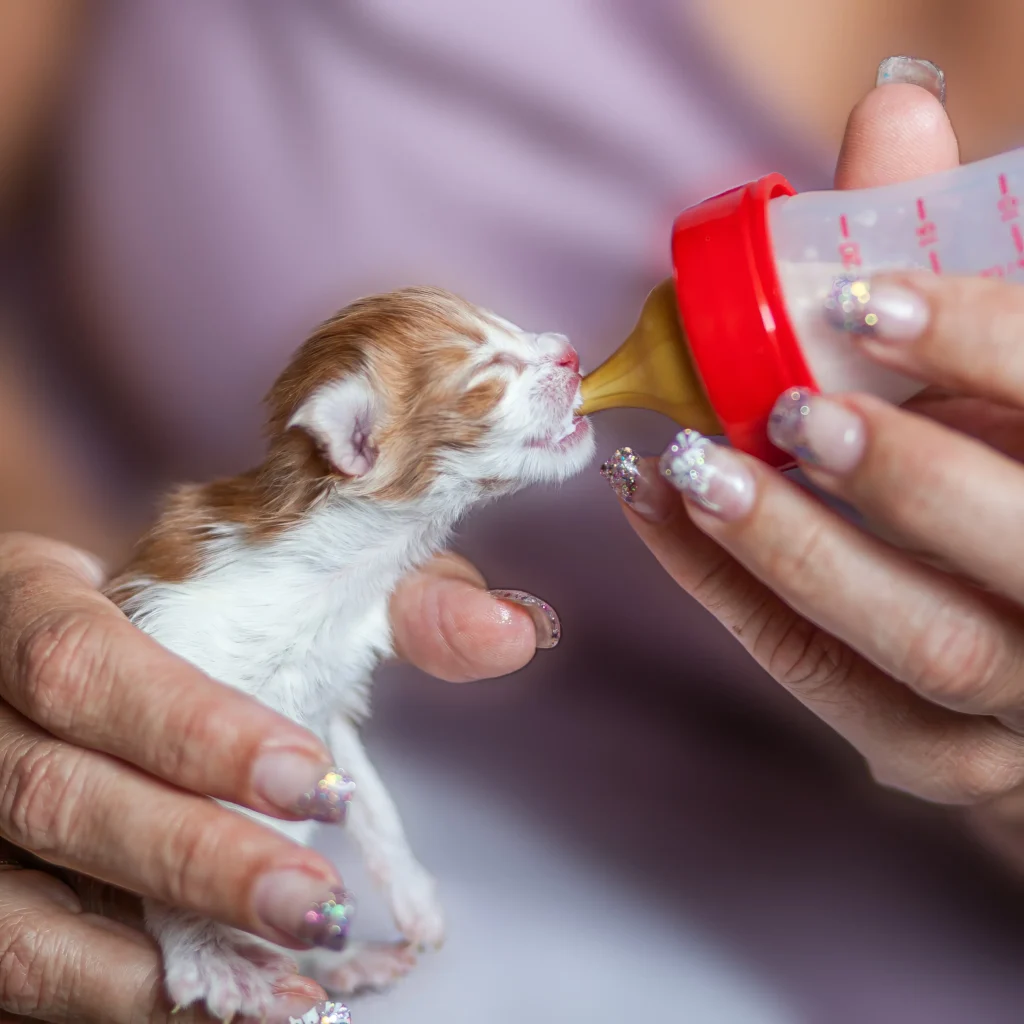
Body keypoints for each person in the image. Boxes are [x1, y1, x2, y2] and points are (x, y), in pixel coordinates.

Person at [5, 3, 1024, 1022]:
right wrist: (61, 631)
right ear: (357, 445)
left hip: (793, 935)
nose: (563, 355)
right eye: (491, 371)